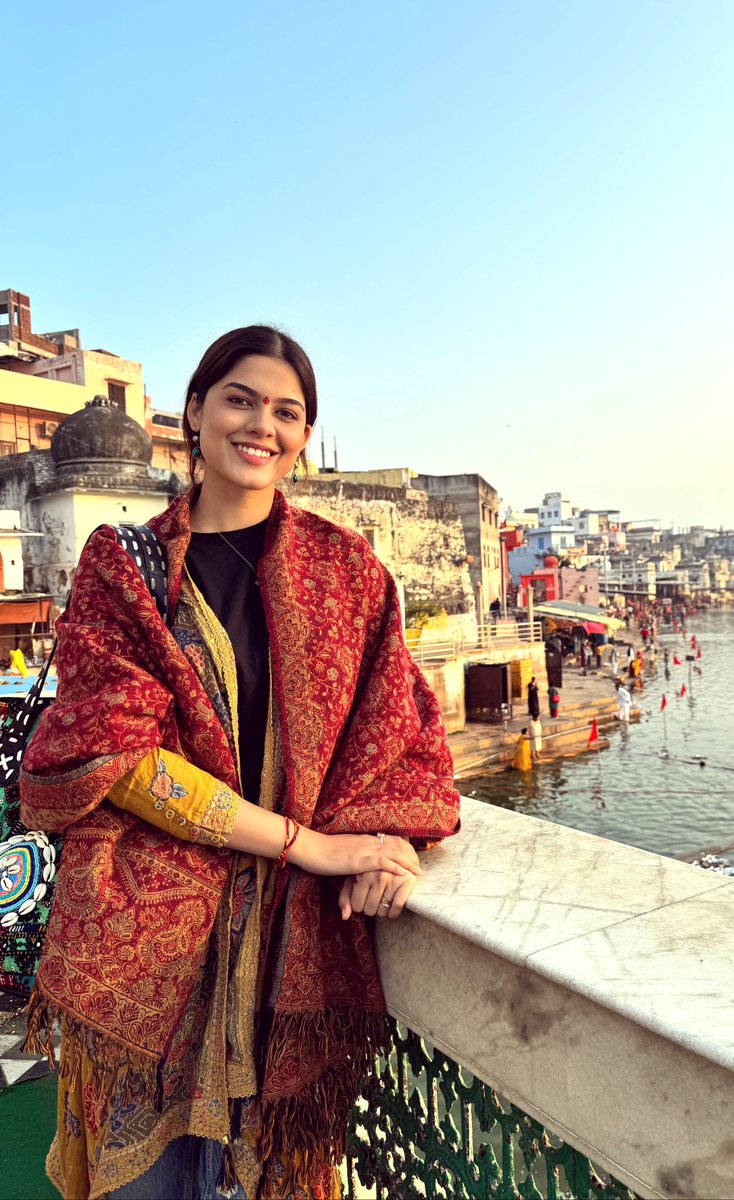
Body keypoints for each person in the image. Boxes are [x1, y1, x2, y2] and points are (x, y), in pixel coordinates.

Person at [20, 326, 461, 1200]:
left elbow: (402, 737)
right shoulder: (126, 566)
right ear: (193, 412)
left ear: (303, 437)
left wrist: (387, 839)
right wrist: (314, 846)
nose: (262, 424)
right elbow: (120, 756)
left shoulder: (349, 573)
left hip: (288, 947)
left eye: (287, 412)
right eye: (240, 399)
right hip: (146, 944)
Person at [526, 679, 542, 761]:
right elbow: (530, 689)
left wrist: (536, 685)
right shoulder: (529, 684)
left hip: (538, 736)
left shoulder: (538, 722)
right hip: (533, 736)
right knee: (533, 746)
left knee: (538, 745)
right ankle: (533, 755)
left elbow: (537, 689)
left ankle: (537, 753)